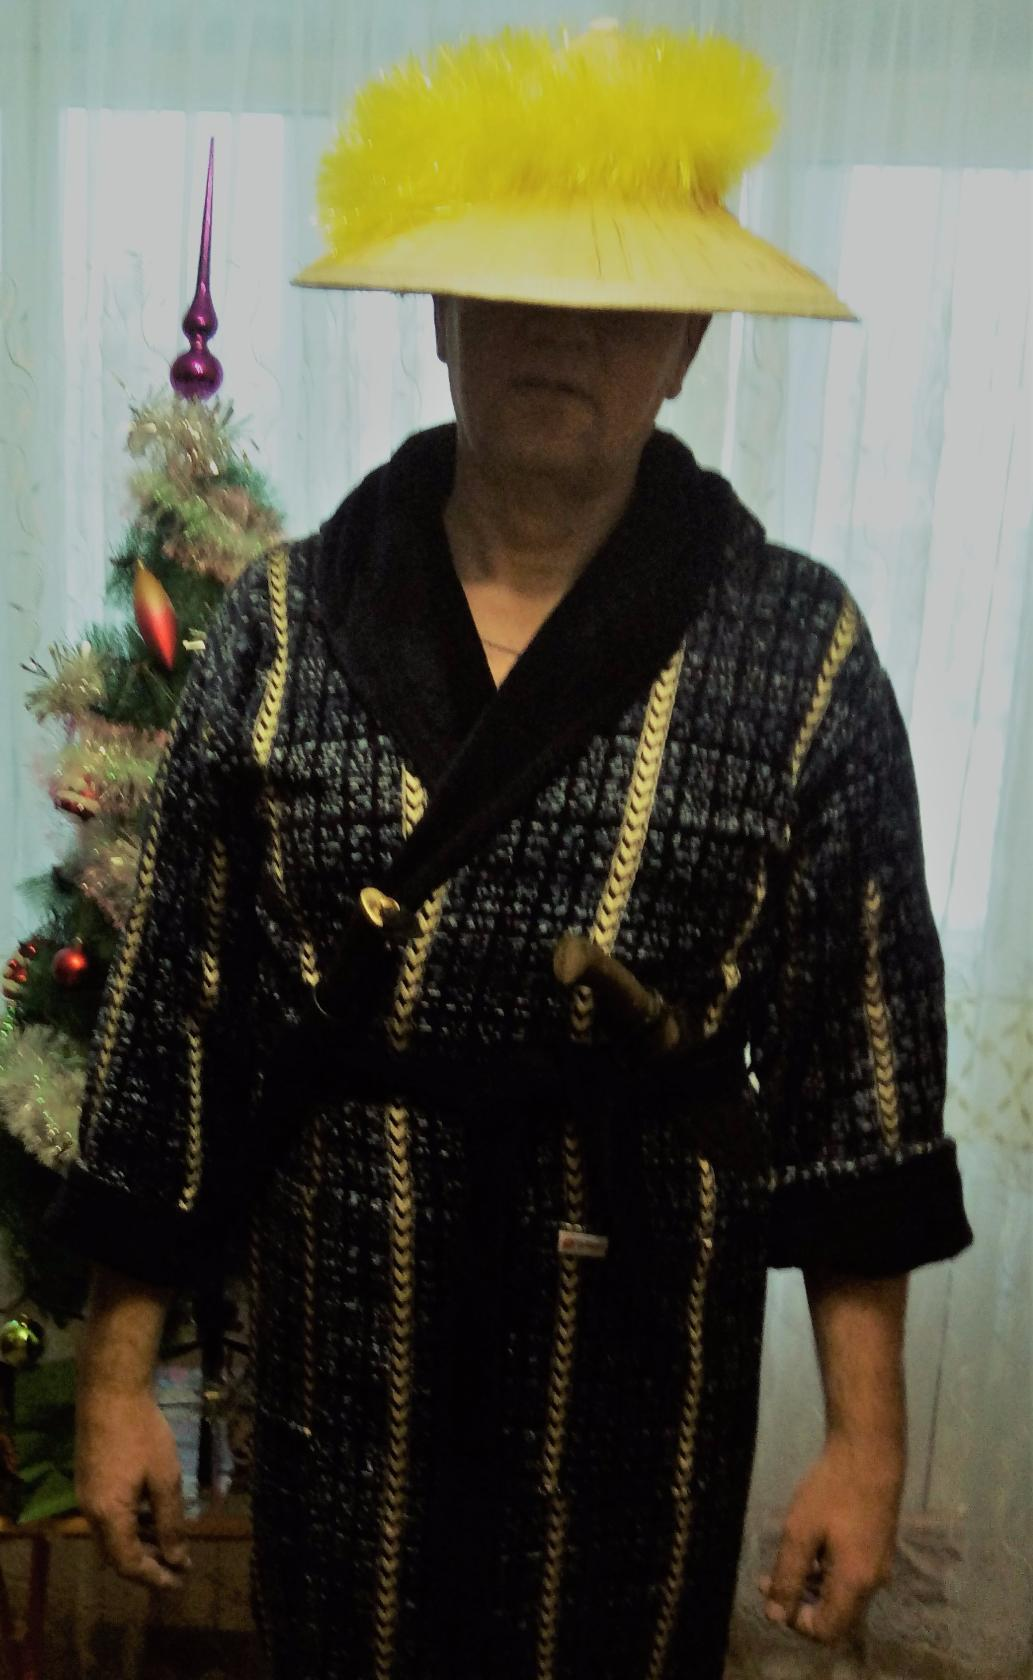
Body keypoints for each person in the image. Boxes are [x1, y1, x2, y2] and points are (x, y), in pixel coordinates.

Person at [51, 23, 972, 1680]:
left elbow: (861, 1082)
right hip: (340, 1360)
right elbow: (175, 1027)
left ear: (687, 343)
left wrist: (865, 1439)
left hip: (640, 1374)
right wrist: (119, 1383)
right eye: (517, 290)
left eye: (619, 303)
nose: (565, 333)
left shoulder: (800, 651)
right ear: (440, 315)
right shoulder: (279, 628)